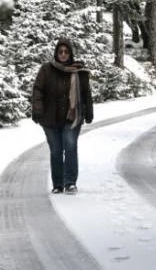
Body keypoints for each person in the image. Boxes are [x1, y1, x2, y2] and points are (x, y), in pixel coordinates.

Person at [31, 37, 93, 194]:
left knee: (70, 146)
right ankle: (58, 184)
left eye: (66, 52)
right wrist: (37, 110)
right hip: (50, 118)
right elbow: (38, 90)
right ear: (56, 53)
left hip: (72, 118)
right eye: (60, 51)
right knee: (56, 151)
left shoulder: (79, 72)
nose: (63, 54)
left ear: (70, 53)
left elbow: (86, 94)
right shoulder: (46, 70)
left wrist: (89, 112)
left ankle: (70, 182)